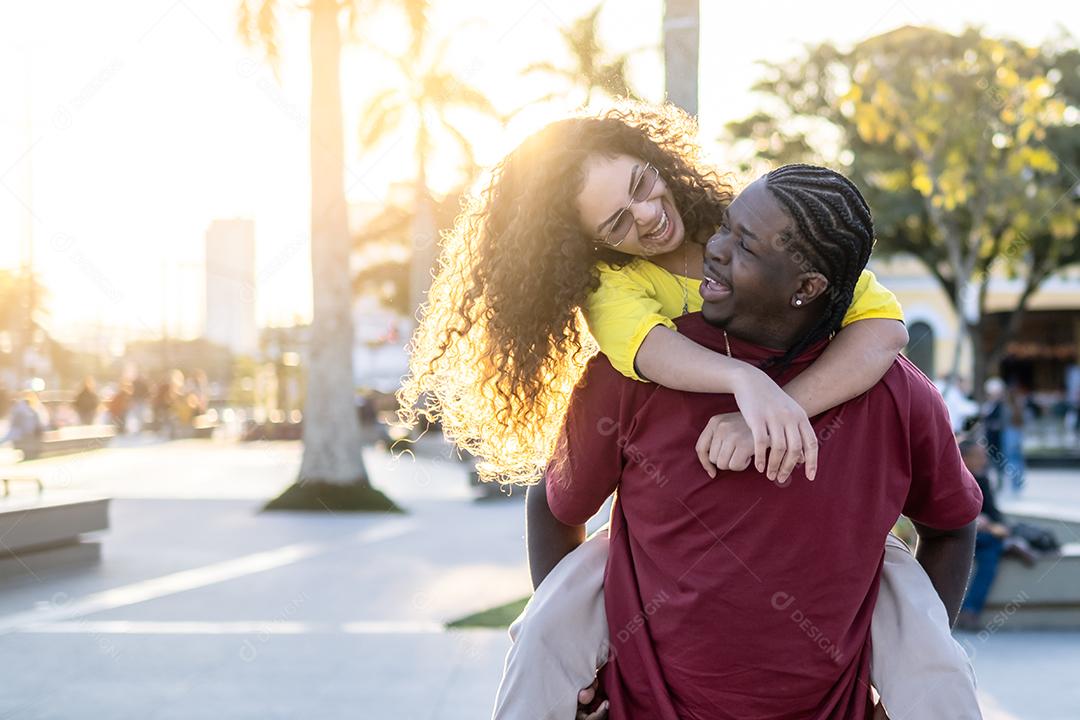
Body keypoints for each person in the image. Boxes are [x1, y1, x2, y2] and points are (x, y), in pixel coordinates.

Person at [506, 166, 983, 720]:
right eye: (725, 227)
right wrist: (579, 667)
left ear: (806, 288)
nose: (713, 248)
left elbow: (952, 524)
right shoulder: (630, 376)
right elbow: (553, 504)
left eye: (746, 246)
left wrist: (906, 686)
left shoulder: (896, 392)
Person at [399, 103, 909, 491]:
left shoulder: (751, 223)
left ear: (656, 160)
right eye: (617, 220)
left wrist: (773, 411)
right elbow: (647, 347)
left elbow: (883, 328)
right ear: (587, 241)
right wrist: (742, 378)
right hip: (683, 497)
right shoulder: (613, 284)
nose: (645, 215)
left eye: (641, 184)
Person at [956, 438, 1010, 632]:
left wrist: (994, 524)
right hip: (956, 534)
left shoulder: (983, 479)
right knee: (993, 547)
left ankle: (969, 611)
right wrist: (976, 522)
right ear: (964, 458)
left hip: (981, 537)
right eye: (979, 456)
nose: (984, 460)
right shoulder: (951, 478)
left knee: (991, 550)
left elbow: (995, 513)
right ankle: (969, 611)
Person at [983, 377, 1026, 494]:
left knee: (1011, 460)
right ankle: (1016, 484)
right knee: (1015, 459)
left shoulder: (1005, 405)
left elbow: (1003, 421)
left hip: (1008, 434)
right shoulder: (1016, 403)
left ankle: (1015, 484)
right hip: (1014, 433)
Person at [1, 391, 47, 460]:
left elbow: (17, 431)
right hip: (34, 447)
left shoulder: (19, 410)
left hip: (24, 447)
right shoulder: (33, 411)